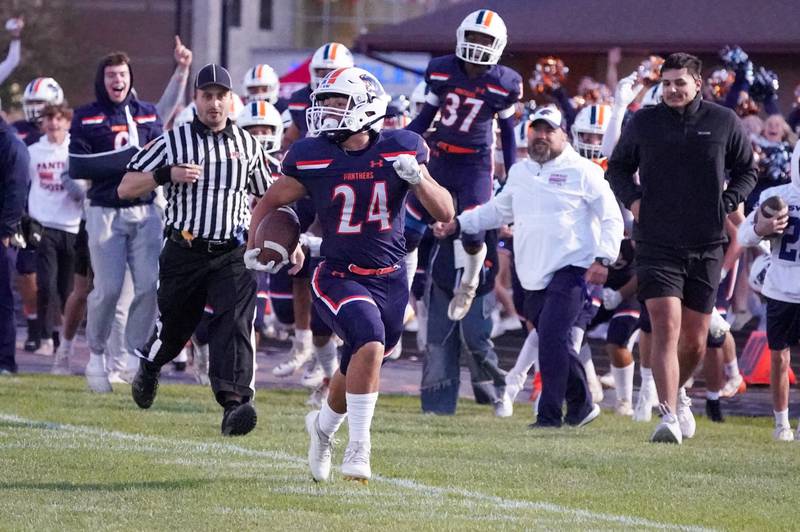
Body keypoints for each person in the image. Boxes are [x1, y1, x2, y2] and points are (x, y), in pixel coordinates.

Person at [248, 67, 454, 482]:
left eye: (337, 102)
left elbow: (446, 212)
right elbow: (270, 204)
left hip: (391, 276)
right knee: (370, 341)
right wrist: (259, 243)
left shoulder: (402, 147)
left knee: (360, 359)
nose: (325, 111)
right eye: (324, 102)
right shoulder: (311, 154)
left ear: (366, 106)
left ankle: (322, 429)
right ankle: (360, 448)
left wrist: (418, 180)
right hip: (337, 273)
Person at [435, 106, 623, 428]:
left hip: (572, 267)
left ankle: (549, 416)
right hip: (531, 272)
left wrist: (603, 258)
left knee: (551, 336)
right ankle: (581, 405)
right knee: (554, 340)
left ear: (565, 134)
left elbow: (611, 217)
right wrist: (458, 224)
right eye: (536, 130)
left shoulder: (585, 171)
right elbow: (497, 211)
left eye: (549, 130)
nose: (542, 136)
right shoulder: (520, 173)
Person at [607, 52, 757, 444]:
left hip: (707, 242)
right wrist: (635, 202)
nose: (672, 90)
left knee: (695, 337)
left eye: (679, 83)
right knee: (665, 325)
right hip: (656, 242)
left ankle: (681, 394)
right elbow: (617, 167)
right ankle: (668, 415)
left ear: (697, 83)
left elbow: (748, 170)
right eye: (666, 84)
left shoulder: (723, 121)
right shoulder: (644, 122)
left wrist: (727, 202)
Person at [118, 63, 272, 436]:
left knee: (233, 324)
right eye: (207, 96)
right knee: (176, 327)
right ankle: (150, 367)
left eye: (221, 96)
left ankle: (234, 405)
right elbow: (125, 187)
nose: (214, 104)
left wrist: (286, 239)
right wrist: (163, 175)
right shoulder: (175, 140)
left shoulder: (248, 145)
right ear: (196, 99)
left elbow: (269, 195)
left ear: (231, 100)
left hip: (231, 251)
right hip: (184, 250)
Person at [406, 9, 521, 322]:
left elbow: (509, 136)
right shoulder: (442, 70)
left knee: (473, 232)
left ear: (498, 44)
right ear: (461, 36)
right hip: (441, 157)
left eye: (485, 39)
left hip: (475, 164)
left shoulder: (503, 82)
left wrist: (513, 175)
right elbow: (424, 119)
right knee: (410, 228)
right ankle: (399, 288)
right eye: (474, 37)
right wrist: (399, 145)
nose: (478, 44)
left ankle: (468, 283)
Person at [68, 51, 164, 393]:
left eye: (122, 74)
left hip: (146, 210)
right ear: (102, 80)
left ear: (130, 77)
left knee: (148, 285)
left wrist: (137, 165)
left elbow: (160, 158)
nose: (117, 81)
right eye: (111, 75)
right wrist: (130, 162)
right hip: (104, 210)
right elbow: (79, 165)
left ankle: (134, 355)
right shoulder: (86, 115)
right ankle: (96, 354)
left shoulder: (148, 113)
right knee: (107, 289)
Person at [737, 140, 800, 441]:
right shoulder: (776, 196)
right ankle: (781, 423)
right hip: (781, 288)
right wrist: (763, 228)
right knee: (779, 357)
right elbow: (743, 234)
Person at [26, 104, 82, 356]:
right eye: (49, 119)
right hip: (44, 226)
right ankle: (45, 336)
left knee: (67, 288)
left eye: (59, 119)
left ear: (67, 122)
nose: (54, 124)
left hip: (72, 226)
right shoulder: (33, 152)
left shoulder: (76, 148)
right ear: (42, 123)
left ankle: (64, 338)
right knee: (46, 285)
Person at [0, 114, 30, 374]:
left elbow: (17, 188)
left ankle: (5, 361)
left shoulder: (10, 144)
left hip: (2, 232)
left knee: (2, 298)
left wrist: (6, 230)